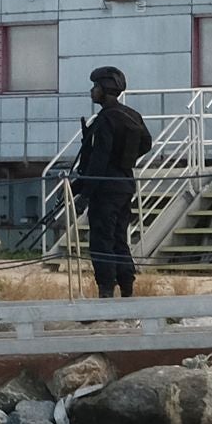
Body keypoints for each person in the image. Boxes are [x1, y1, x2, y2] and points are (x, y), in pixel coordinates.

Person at [75, 66, 152, 299]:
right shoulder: (131, 115)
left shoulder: (105, 120)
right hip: (125, 184)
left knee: (101, 241)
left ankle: (106, 292)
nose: (92, 91)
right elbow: (146, 143)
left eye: (95, 87)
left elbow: (99, 159)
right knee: (119, 239)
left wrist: (83, 192)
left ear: (104, 90)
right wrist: (124, 162)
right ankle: (127, 288)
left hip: (105, 190)